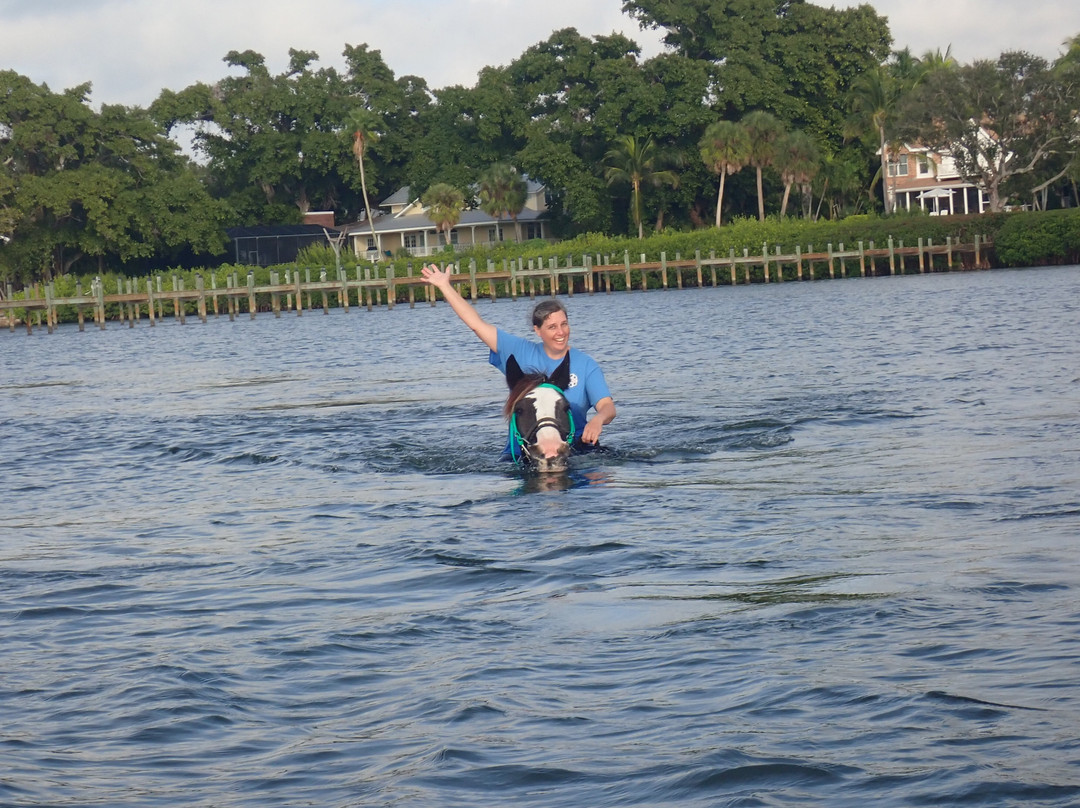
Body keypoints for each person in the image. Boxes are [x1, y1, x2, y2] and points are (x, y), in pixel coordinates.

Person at [420, 263, 616, 452]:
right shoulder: (519, 351)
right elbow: (476, 325)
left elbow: (607, 406)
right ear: (537, 330)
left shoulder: (585, 364)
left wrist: (598, 419)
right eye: (552, 327)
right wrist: (445, 286)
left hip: (572, 450)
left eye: (564, 324)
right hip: (522, 453)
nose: (560, 332)